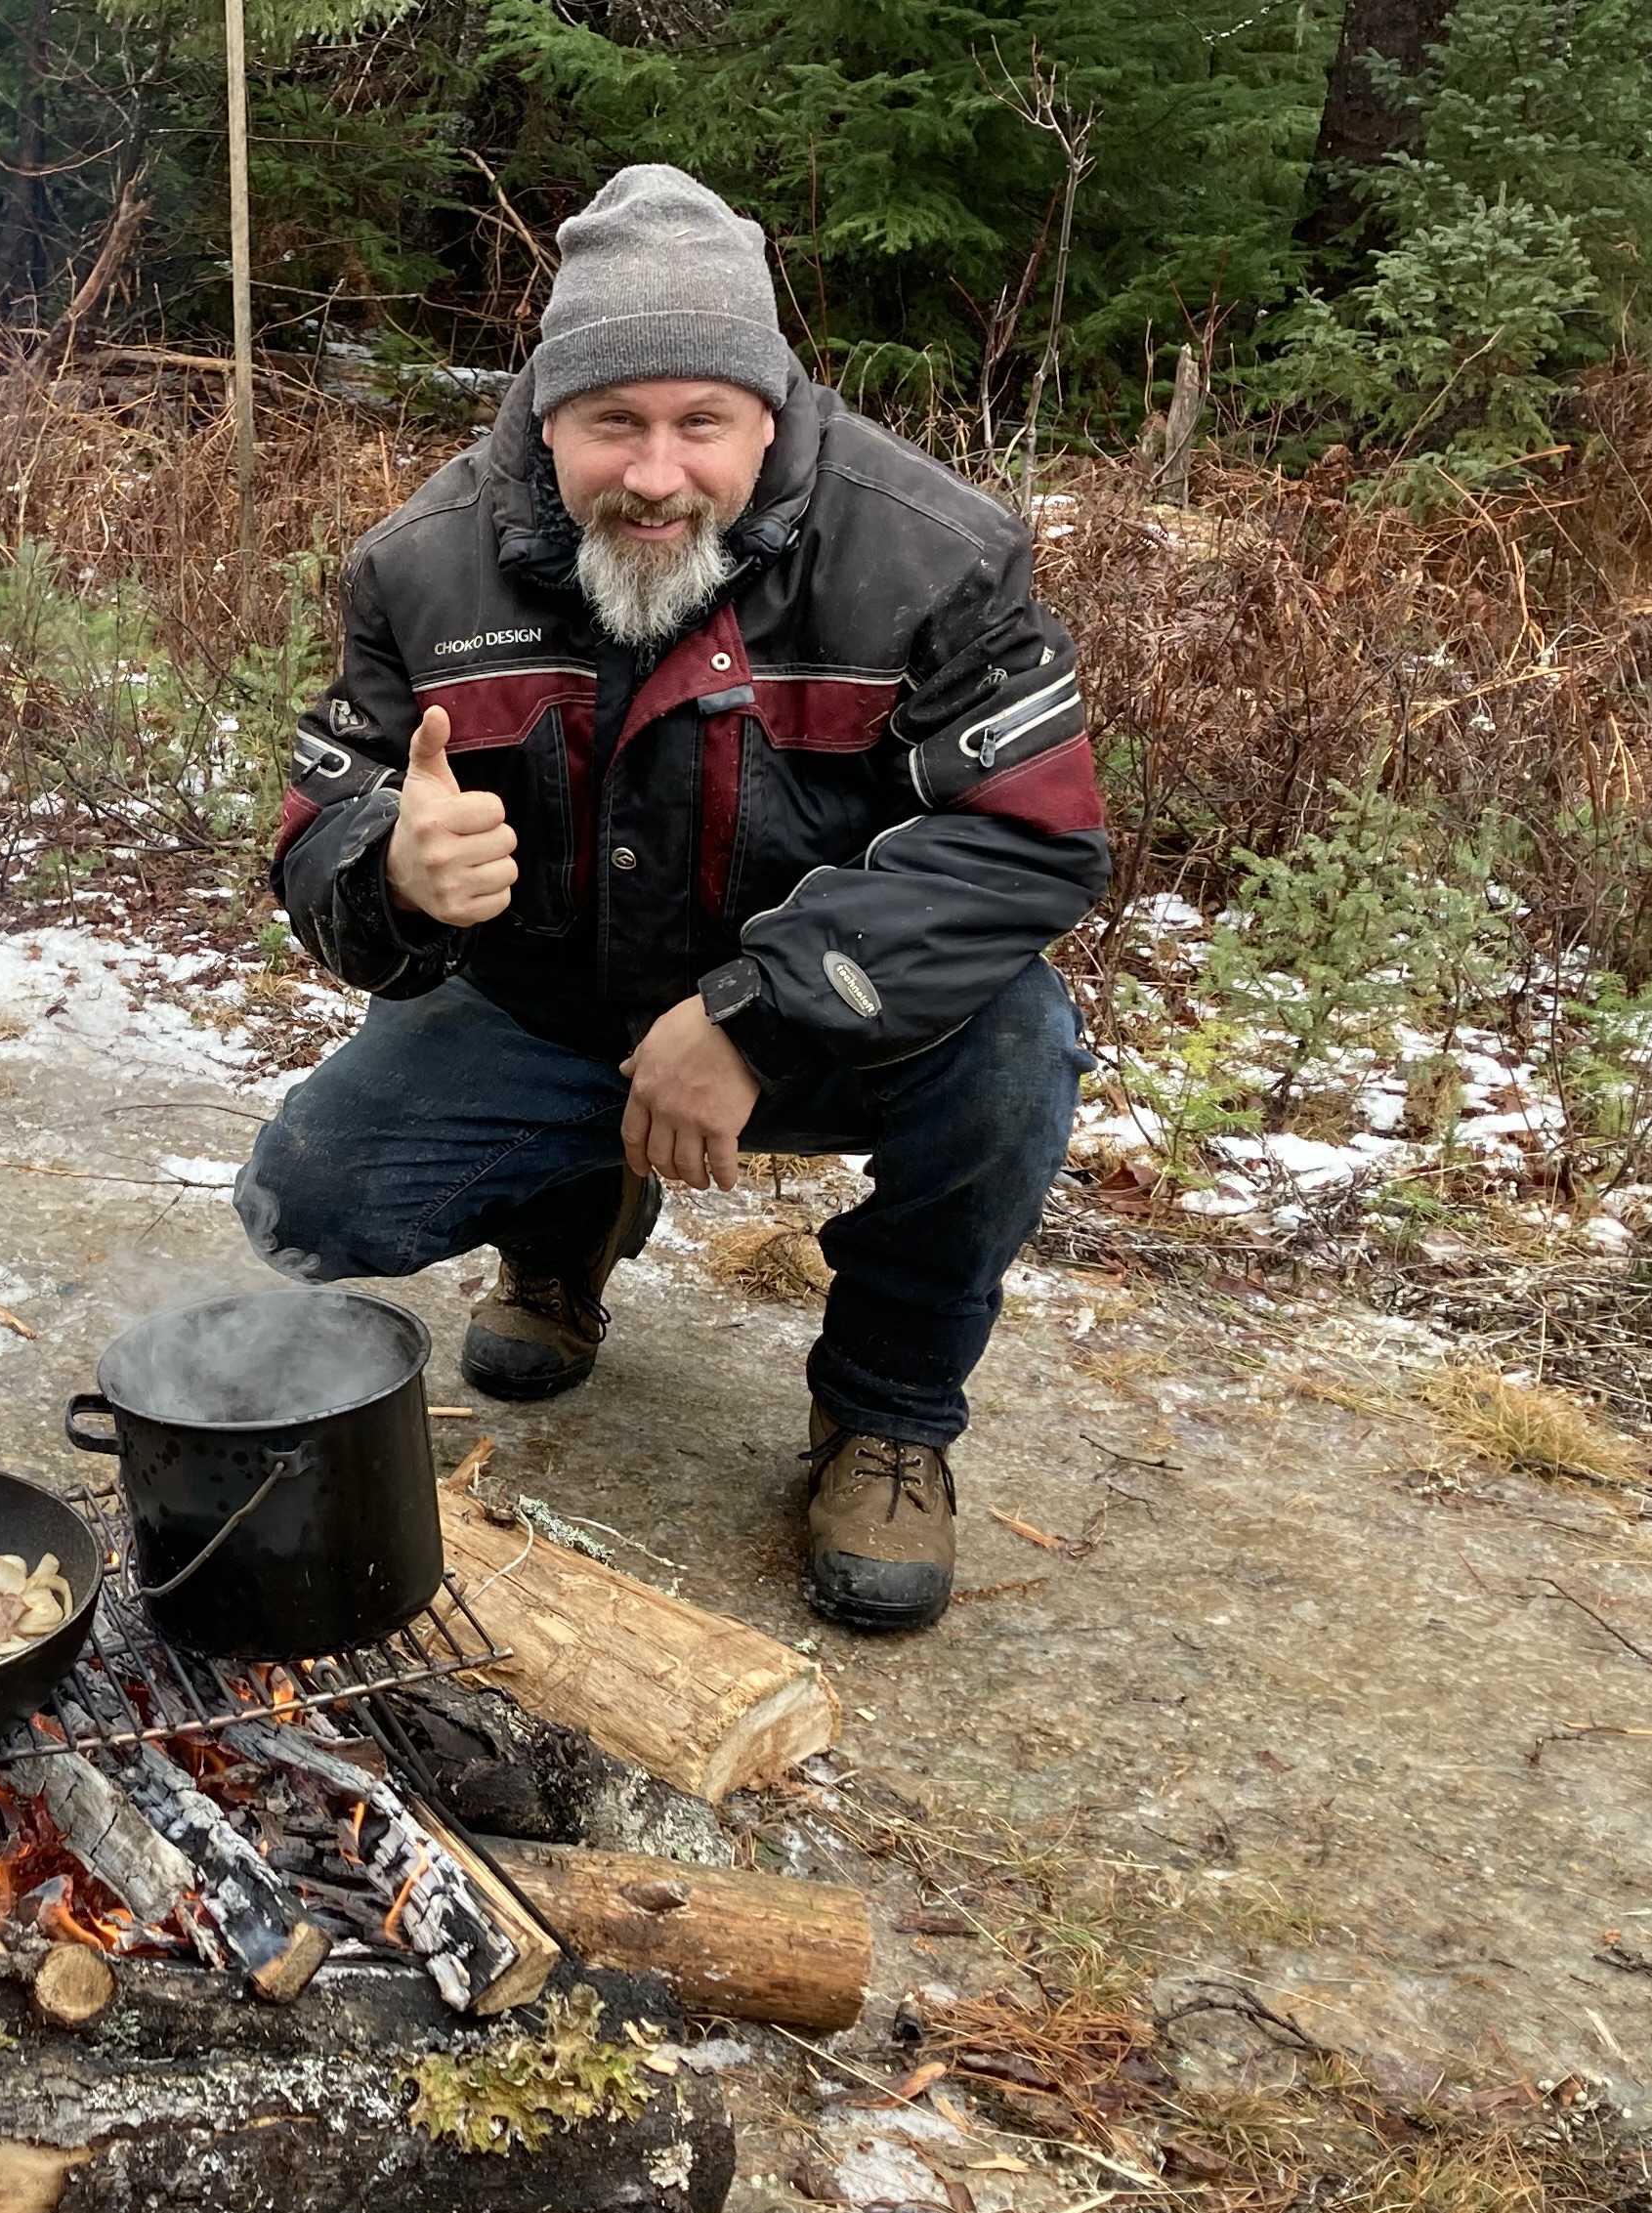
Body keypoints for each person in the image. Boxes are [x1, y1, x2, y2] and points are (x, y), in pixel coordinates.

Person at [235, 164, 1106, 1633]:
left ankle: (888, 1416)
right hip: (554, 1011)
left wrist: (759, 1018)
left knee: (1020, 1048)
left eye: (701, 423)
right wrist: (381, 865)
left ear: (768, 415)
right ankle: (568, 1227)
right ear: (544, 415)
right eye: (612, 424)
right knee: (305, 1209)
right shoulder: (421, 568)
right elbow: (319, 816)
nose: (656, 475)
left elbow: (1031, 839)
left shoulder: (936, 554)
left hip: (832, 1026)